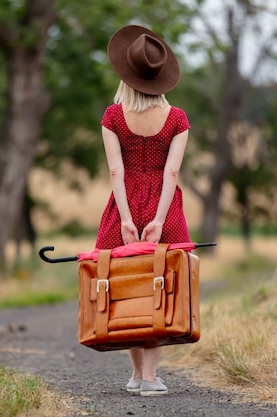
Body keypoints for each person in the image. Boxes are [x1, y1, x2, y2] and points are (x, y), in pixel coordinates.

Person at [95, 24, 191, 397]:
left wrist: (125, 218)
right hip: (164, 208)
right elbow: (172, 171)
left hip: (125, 206)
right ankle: (150, 377)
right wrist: (160, 219)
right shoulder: (177, 119)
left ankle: (137, 375)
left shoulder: (113, 116)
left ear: (125, 74)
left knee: (126, 287)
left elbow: (116, 171)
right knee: (161, 288)